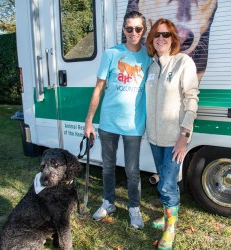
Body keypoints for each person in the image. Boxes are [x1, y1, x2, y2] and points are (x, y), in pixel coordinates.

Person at [83, 11, 152, 229]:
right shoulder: (111, 54)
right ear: (123, 30)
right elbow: (98, 89)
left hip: (133, 125)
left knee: (132, 170)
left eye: (138, 29)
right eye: (129, 29)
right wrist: (89, 121)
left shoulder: (148, 57)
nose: (133, 33)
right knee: (108, 167)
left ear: (143, 31)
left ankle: (134, 208)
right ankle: (108, 202)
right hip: (108, 124)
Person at [145, 19, 199, 249]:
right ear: (151, 39)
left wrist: (184, 135)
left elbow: (191, 99)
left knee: (166, 184)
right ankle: (168, 216)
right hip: (154, 137)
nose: (161, 38)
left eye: (166, 35)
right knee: (165, 180)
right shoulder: (150, 65)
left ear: (173, 39)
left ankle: (170, 229)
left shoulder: (183, 62)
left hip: (174, 137)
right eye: (157, 35)